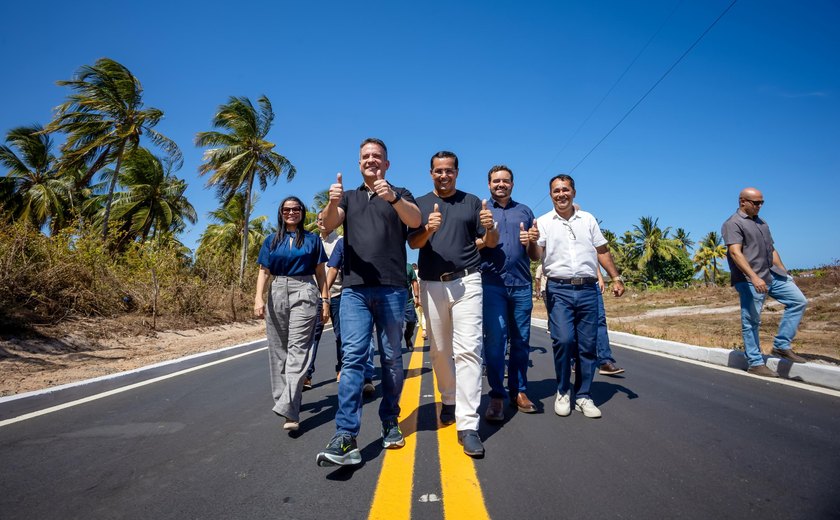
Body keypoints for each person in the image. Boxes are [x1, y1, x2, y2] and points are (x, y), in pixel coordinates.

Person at [316, 138, 421, 467]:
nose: (371, 161)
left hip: (392, 289)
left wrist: (392, 198)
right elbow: (328, 223)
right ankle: (346, 435)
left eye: (377, 157)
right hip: (355, 291)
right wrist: (332, 203)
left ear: (387, 164)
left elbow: (416, 221)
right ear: (359, 163)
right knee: (353, 362)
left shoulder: (400, 192)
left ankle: (390, 420)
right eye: (365, 157)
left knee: (391, 360)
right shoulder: (348, 197)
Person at [409, 150, 498, 458]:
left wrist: (490, 226)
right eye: (438, 170)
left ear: (457, 172)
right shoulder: (419, 204)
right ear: (430, 172)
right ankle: (449, 399)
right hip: (432, 283)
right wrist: (428, 228)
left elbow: (491, 242)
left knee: (469, 350)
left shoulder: (472, 203)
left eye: (449, 170)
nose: (443, 175)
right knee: (440, 350)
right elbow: (413, 243)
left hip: (468, 281)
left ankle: (468, 425)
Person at [534, 175, 624, 419]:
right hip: (558, 289)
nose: (561, 194)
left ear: (573, 192)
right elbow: (535, 255)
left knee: (587, 346)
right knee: (563, 340)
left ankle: (583, 395)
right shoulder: (542, 222)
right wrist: (531, 241)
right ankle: (563, 391)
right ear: (550, 194)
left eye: (565, 189)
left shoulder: (588, 219)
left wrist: (615, 277)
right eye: (555, 190)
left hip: (587, 289)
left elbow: (601, 250)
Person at [254, 197, 329, 432]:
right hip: (277, 290)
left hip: (304, 290)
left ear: (302, 212)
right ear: (281, 213)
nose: (291, 213)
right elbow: (264, 271)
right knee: (279, 351)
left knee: (298, 350)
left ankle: (289, 408)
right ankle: (284, 399)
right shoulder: (271, 240)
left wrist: (325, 300)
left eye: (296, 209)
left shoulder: (312, 239)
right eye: (287, 209)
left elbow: (320, 272)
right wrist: (258, 298)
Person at [722, 187, 808, 378]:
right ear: (742, 202)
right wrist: (753, 277)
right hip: (749, 279)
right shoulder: (733, 223)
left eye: (762, 203)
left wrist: (784, 272)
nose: (759, 206)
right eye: (756, 203)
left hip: (772, 274)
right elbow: (736, 253)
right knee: (751, 320)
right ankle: (755, 362)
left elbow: (772, 250)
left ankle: (781, 345)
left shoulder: (762, 223)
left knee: (798, 301)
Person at [478, 165, 541, 421]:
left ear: (512, 184)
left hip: (522, 285)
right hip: (491, 284)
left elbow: (535, 255)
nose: (500, 184)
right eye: (496, 181)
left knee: (521, 342)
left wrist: (533, 241)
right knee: (495, 342)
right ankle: (496, 395)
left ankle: (520, 391)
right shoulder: (481, 212)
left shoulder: (524, 211)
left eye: (505, 181)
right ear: (489, 184)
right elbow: (472, 246)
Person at [303, 212, 344, 389]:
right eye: (319, 219)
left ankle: (341, 369)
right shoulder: (311, 241)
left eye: (325, 219)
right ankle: (307, 374)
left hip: (339, 294)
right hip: (315, 296)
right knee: (313, 336)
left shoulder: (341, 240)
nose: (321, 222)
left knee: (341, 335)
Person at [595, 268, 624, 376]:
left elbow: (595, 253)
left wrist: (600, 276)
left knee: (600, 321)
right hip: (568, 284)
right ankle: (576, 360)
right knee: (576, 322)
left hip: (592, 283)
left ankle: (605, 361)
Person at [404, 263, 421, 351]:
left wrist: (417, 297)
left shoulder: (408, 266)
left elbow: (414, 282)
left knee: (411, 321)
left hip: (408, 301)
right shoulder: (389, 264)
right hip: (393, 301)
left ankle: (408, 337)